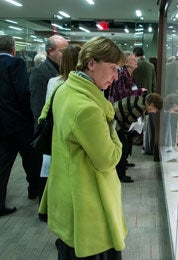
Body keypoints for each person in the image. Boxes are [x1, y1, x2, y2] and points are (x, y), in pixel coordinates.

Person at [38, 36, 126, 259]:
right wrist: (113, 129)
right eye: (113, 68)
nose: (116, 77)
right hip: (87, 201)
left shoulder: (65, 89)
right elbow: (108, 159)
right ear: (91, 63)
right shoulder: (88, 108)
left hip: (66, 189)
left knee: (68, 249)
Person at [0, 35, 42, 216]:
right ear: (13, 49)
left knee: (2, 165)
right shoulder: (15, 64)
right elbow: (24, 93)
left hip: (2, 126)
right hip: (19, 124)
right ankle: (35, 191)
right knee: (32, 159)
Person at [38, 44, 81, 222]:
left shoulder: (54, 82)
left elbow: (47, 110)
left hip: (56, 136)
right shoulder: (84, 85)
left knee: (53, 177)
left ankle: (48, 211)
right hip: (73, 138)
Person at [112, 93, 163, 182]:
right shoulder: (140, 107)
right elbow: (128, 122)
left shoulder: (142, 101)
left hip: (118, 119)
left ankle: (123, 164)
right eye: (155, 109)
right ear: (151, 104)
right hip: (115, 119)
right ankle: (120, 175)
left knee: (126, 144)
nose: (154, 112)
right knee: (123, 146)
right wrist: (124, 134)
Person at [30, 35, 69, 126]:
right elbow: (38, 107)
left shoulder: (64, 69)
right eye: (63, 51)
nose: (67, 55)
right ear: (50, 51)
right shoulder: (39, 72)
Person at [132, 47, 157, 155]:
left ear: (135, 55)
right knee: (146, 121)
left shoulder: (134, 66)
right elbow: (154, 83)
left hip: (135, 97)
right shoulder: (151, 66)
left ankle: (137, 138)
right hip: (148, 97)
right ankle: (145, 141)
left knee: (136, 119)